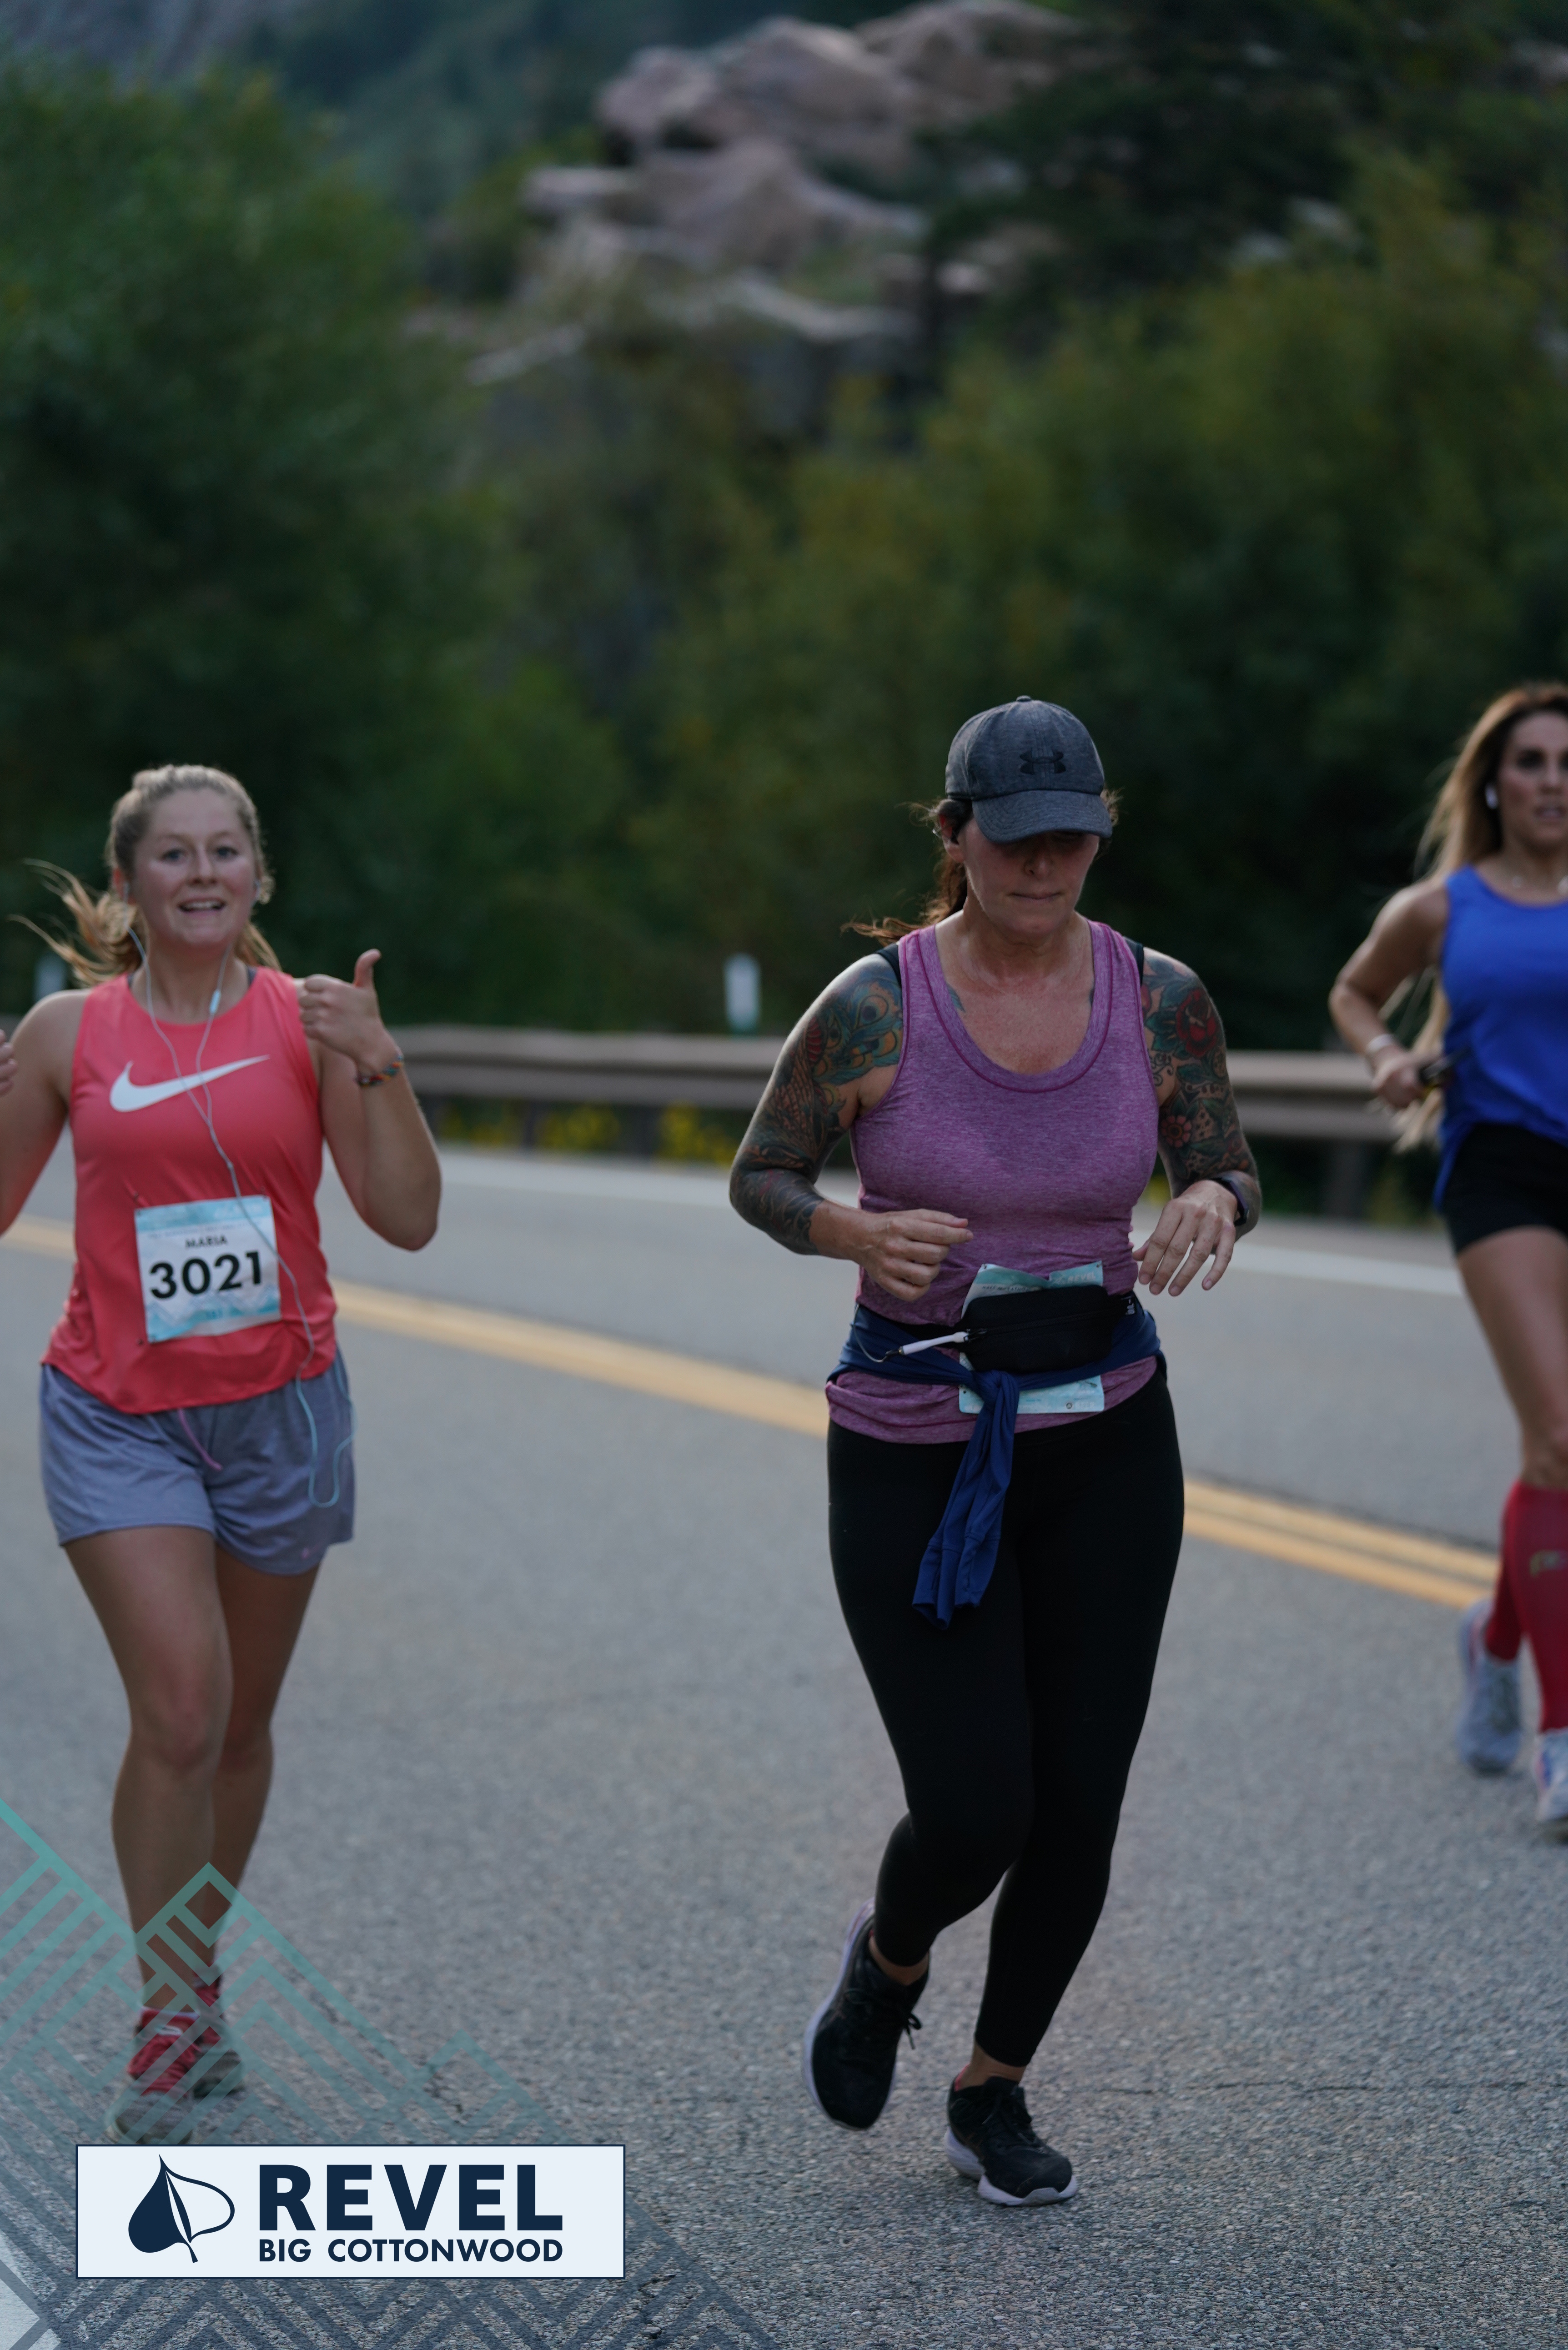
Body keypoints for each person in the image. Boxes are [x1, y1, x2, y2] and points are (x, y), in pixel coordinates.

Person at [730, 696, 1260, 2207]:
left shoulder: (1157, 999)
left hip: (1107, 1436)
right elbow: (762, 1173)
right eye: (1013, 838)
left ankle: (992, 2086)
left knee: (1078, 1801)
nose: (1042, 865)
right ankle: (886, 1966)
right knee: (978, 1803)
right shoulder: (875, 1007)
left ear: (1099, 834)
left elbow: (1223, 1155)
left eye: (1070, 839)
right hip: (915, 1441)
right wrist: (847, 1229)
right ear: (955, 834)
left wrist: (1213, 1194)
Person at [0, 763, 441, 2143]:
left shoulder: (311, 1024)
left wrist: (378, 1060)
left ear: (258, 875)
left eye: (225, 851)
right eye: (174, 855)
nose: (202, 874)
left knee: (241, 1726)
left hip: (280, 1414)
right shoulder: (67, 1034)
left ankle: (194, 1972)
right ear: (127, 884)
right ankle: (167, 2011)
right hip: (116, 1410)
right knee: (183, 1710)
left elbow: (407, 1218)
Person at [1330, 683, 1568, 1833]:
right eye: (1530, 761)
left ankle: (1493, 1635)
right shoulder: (1443, 906)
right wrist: (1384, 1055)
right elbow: (1353, 991)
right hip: (1501, 1172)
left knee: (1553, 1455)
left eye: (1567, 764)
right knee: (1561, 1437)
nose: (1551, 781)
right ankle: (1559, 1742)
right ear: (1491, 781)